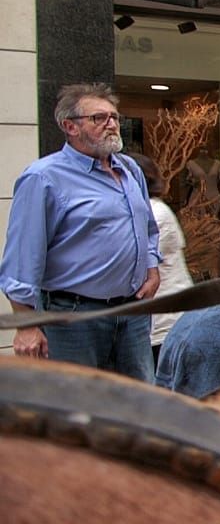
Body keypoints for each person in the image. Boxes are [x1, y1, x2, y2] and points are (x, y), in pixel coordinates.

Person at [0, 84, 161, 380]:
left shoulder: (130, 170)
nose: (112, 124)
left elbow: (148, 227)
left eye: (114, 117)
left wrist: (152, 267)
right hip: (73, 319)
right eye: (99, 118)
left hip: (132, 314)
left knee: (139, 408)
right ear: (69, 126)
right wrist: (26, 325)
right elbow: (23, 256)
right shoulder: (43, 177)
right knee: (79, 410)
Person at [129, 152, 196, 356]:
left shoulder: (155, 213)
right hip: (155, 319)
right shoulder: (141, 210)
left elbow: (135, 260)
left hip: (167, 319)